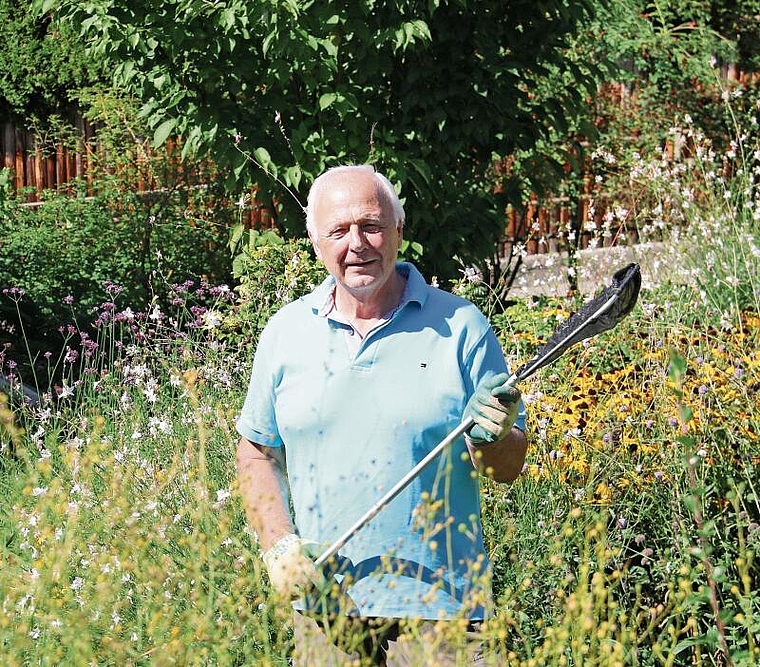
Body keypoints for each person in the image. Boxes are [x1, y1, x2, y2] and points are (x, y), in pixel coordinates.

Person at [235, 165, 528, 666]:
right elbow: (256, 452)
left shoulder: (461, 327)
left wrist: (493, 437)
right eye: (339, 231)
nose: (357, 244)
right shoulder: (286, 333)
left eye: (371, 225)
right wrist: (278, 545)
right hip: (326, 614)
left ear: (398, 230)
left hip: (447, 614)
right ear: (314, 243)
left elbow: (507, 467)